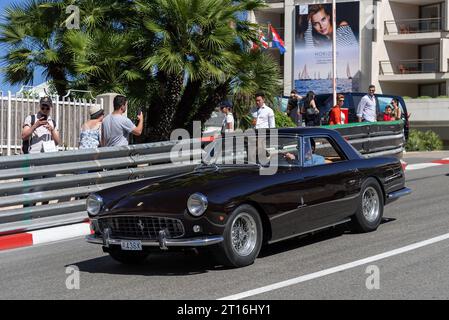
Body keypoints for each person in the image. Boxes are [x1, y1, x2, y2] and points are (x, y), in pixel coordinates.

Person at [21, 96, 61, 207]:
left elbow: (57, 141)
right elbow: (24, 136)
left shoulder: (52, 122)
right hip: (34, 161)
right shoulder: (31, 118)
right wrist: (35, 125)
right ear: (40, 106)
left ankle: (42, 214)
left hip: (48, 161)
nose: (45, 109)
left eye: (47, 107)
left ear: (50, 108)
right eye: (43, 106)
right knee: (33, 191)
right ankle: (30, 215)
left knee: (46, 191)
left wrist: (52, 130)